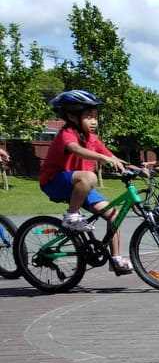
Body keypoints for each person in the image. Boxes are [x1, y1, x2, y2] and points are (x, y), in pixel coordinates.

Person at [37, 90, 133, 274]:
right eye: (89, 116)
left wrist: (137, 168)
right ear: (72, 116)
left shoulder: (92, 138)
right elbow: (75, 149)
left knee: (114, 214)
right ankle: (72, 215)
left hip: (80, 185)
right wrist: (103, 159)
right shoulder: (67, 133)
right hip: (55, 181)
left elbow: (112, 156)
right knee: (90, 177)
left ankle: (116, 259)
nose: (94, 121)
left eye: (95, 116)